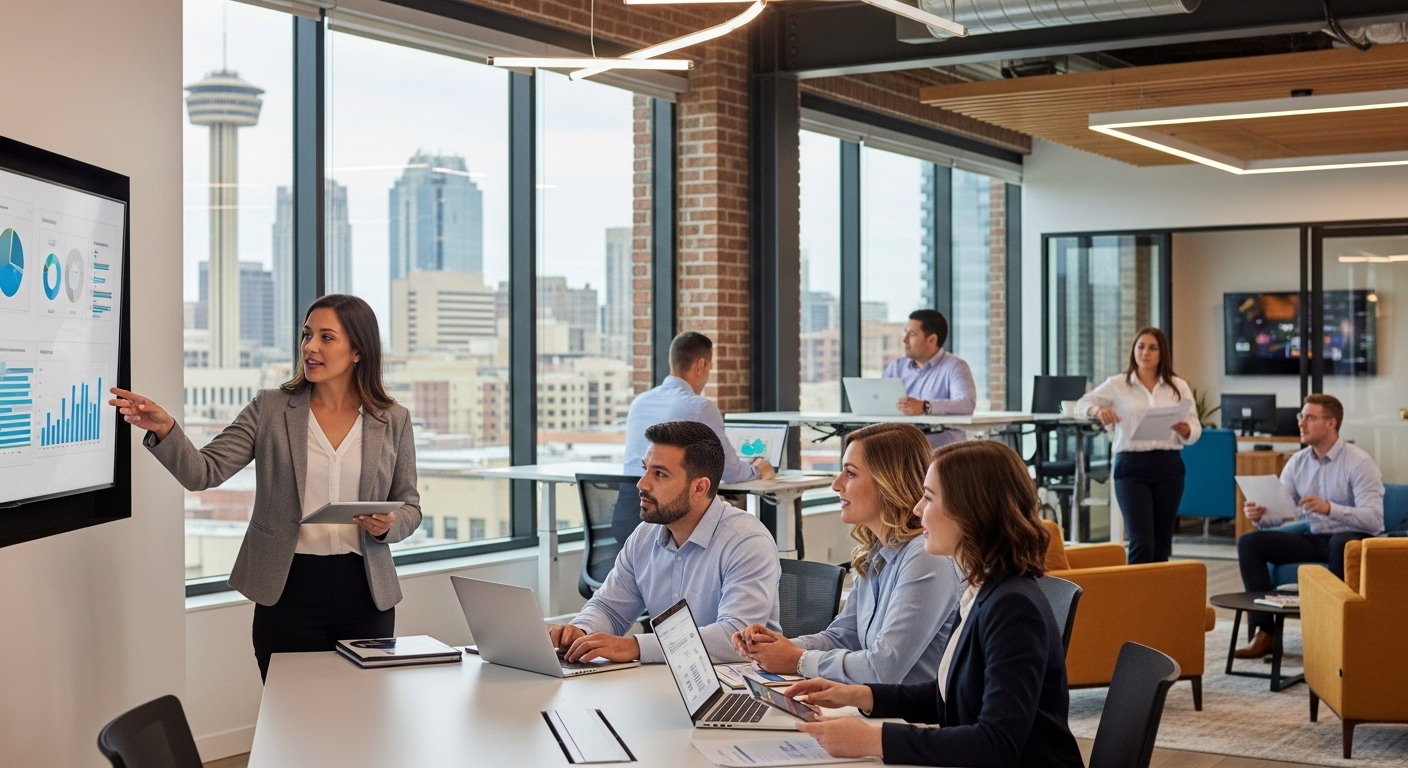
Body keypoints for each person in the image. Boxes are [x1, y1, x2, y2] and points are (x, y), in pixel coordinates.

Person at [109, 295, 421, 681]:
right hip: (289, 588)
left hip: (367, 592)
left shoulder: (392, 419)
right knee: (292, 718)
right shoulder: (271, 409)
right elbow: (202, 472)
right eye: (307, 335)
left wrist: (390, 524)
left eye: (327, 337)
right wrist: (165, 428)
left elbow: (410, 505)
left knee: (364, 716)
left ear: (358, 350)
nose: (310, 347)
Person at [783, 440, 1083, 767]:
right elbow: (950, 695)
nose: (916, 509)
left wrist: (874, 740)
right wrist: (860, 695)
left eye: (928, 497)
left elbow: (995, 743)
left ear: (970, 510)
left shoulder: (1013, 607)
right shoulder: (982, 588)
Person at [729, 423, 960, 685]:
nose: (836, 485)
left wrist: (797, 660)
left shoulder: (925, 557)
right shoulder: (875, 554)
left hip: (909, 719)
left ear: (889, 482)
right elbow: (843, 636)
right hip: (870, 706)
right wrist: (775, 647)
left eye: (850, 473)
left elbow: (882, 669)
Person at [549, 420, 781, 664]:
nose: (642, 484)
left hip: (738, 687)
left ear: (699, 488)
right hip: (664, 680)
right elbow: (610, 608)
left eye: (659, 474)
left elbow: (734, 639)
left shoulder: (747, 542)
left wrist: (636, 647)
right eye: (645, 469)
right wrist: (582, 632)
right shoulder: (644, 536)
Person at [1235, 393, 1383, 659]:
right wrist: (1259, 515)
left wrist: (1330, 508)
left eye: (1310, 417)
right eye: (1301, 416)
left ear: (1331, 424)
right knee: (1250, 542)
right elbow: (1283, 513)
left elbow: (1375, 519)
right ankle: (1266, 632)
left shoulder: (1359, 462)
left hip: (1354, 542)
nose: (1301, 423)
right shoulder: (1297, 462)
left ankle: (1334, 633)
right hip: (1315, 539)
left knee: (1341, 543)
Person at [615, 331, 774, 542]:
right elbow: (732, 472)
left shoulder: (639, 402)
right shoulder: (700, 407)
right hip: (669, 517)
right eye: (709, 368)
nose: (707, 375)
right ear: (700, 365)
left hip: (627, 515)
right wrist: (757, 470)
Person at [1076, 327, 1200, 564]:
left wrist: (1188, 430)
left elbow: (1195, 425)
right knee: (1141, 541)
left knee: (1162, 541)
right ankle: (1137, 597)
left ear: (1162, 353)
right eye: (1141, 346)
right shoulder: (1117, 385)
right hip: (1132, 467)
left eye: (1152, 348)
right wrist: (1098, 409)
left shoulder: (1178, 386)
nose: (1145, 352)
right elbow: (1082, 402)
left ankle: (1157, 598)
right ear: (1134, 350)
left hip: (1169, 466)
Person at [882, 309, 976, 449]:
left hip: (942, 449)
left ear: (931, 340)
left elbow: (966, 403)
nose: (904, 340)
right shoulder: (897, 367)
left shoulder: (955, 367)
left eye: (912, 334)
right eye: (905, 332)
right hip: (902, 445)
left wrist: (925, 407)